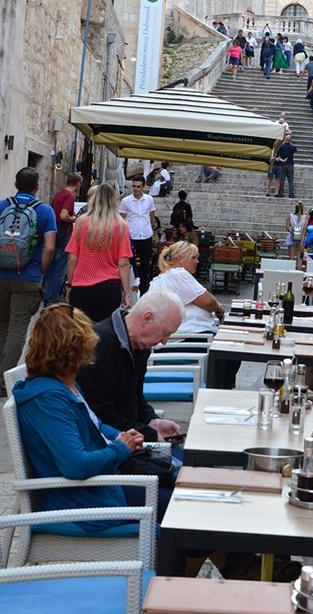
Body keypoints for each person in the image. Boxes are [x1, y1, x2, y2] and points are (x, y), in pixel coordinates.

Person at [13, 303, 146, 532]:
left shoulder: (64, 383)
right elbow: (77, 466)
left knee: (183, 501)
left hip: (97, 490)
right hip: (87, 504)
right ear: (77, 349)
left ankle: (225, 564)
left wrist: (120, 437)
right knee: (182, 511)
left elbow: (94, 424)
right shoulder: (50, 400)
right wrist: (121, 449)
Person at [76, 290, 185, 443]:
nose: (165, 341)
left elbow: (135, 398)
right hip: (104, 443)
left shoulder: (140, 346)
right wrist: (149, 435)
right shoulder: (100, 343)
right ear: (147, 318)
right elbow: (97, 413)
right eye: (165, 332)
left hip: (127, 439)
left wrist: (153, 421)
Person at [0, 167, 56, 385]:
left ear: (16, 185)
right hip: (28, 276)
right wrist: (39, 271)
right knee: (18, 327)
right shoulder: (44, 211)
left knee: (2, 323)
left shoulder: (2, 206)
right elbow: (50, 247)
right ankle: (5, 379)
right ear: (37, 187)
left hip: (1, 275)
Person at [66, 182, 133, 322]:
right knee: (104, 331)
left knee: (81, 332)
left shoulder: (81, 222)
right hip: (109, 286)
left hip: (81, 285)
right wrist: (127, 293)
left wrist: (69, 284)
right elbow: (123, 264)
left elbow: (72, 258)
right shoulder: (120, 226)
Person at [149, 240, 224, 334]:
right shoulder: (177, 274)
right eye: (193, 258)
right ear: (180, 259)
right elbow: (209, 302)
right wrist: (219, 309)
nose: (197, 261)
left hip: (185, 335)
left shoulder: (161, 278)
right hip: (189, 337)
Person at [43, 171, 82, 304]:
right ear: (77, 184)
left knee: (50, 268)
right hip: (64, 234)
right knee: (59, 271)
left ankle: (46, 296)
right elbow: (63, 215)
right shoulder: (70, 196)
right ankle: (51, 300)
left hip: (54, 232)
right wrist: (74, 218)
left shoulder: (59, 193)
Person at [119, 175, 155, 294]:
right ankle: (130, 290)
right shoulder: (126, 201)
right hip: (131, 236)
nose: (135, 189)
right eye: (134, 186)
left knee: (145, 266)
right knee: (131, 266)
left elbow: (151, 215)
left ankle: (144, 291)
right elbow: (121, 218)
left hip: (145, 235)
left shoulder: (149, 199)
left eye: (138, 187)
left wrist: (147, 227)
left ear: (143, 187)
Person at [274, 133, 297, 198]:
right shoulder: (292, 147)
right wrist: (290, 143)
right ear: (290, 140)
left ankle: (281, 193)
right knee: (290, 180)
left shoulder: (281, 146)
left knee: (282, 180)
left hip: (282, 164)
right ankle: (291, 194)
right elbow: (295, 149)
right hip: (290, 164)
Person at [285, 200, 306, 268]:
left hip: (292, 237)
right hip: (301, 238)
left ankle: (291, 271)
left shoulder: (290, 216)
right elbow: (305, 229)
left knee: (291, 255)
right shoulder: (305, 217)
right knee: (299, 256)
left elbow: (287, 228)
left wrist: (292, 230)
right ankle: (299, 271)